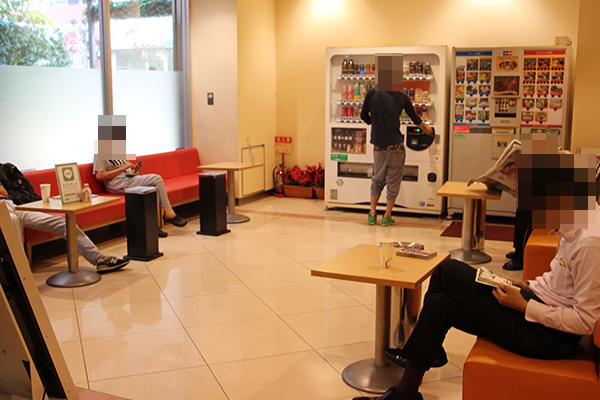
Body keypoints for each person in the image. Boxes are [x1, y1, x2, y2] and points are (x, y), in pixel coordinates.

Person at [355, 152, 600, 400]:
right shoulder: (574, 223)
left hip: (548, 337)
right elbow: (561, 284)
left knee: (446, 270)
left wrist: (525, 306)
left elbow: (585, 321)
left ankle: (427, 350)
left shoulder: (590, 243)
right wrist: (525, 285)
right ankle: (405, 392)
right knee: (439, 304)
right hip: (537, 307)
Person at [0, 184, 129, 274]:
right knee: (12, 220)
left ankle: (99, 259)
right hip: (4, 212)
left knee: (63, 223)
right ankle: (20, 272)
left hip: (10, 205)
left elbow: (4, 193)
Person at [360, 75, 433, 226]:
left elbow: (363, 115)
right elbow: (415, 118)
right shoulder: (401, 96)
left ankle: (372, 214)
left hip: (379, 146)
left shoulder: (372, 92)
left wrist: (374, 123)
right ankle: (387, 216)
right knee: (393, 182)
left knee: (377, 179)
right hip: (396, 146)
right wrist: (426, 129)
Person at [93, 159, 187, 237]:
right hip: (117, 184)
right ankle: (169, 213)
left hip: (128, 179)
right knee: (156, 178)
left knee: (154, 188)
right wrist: (122, 168)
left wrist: (134, 170)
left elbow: (127, 172)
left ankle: (153, 227)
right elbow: (99, 176)